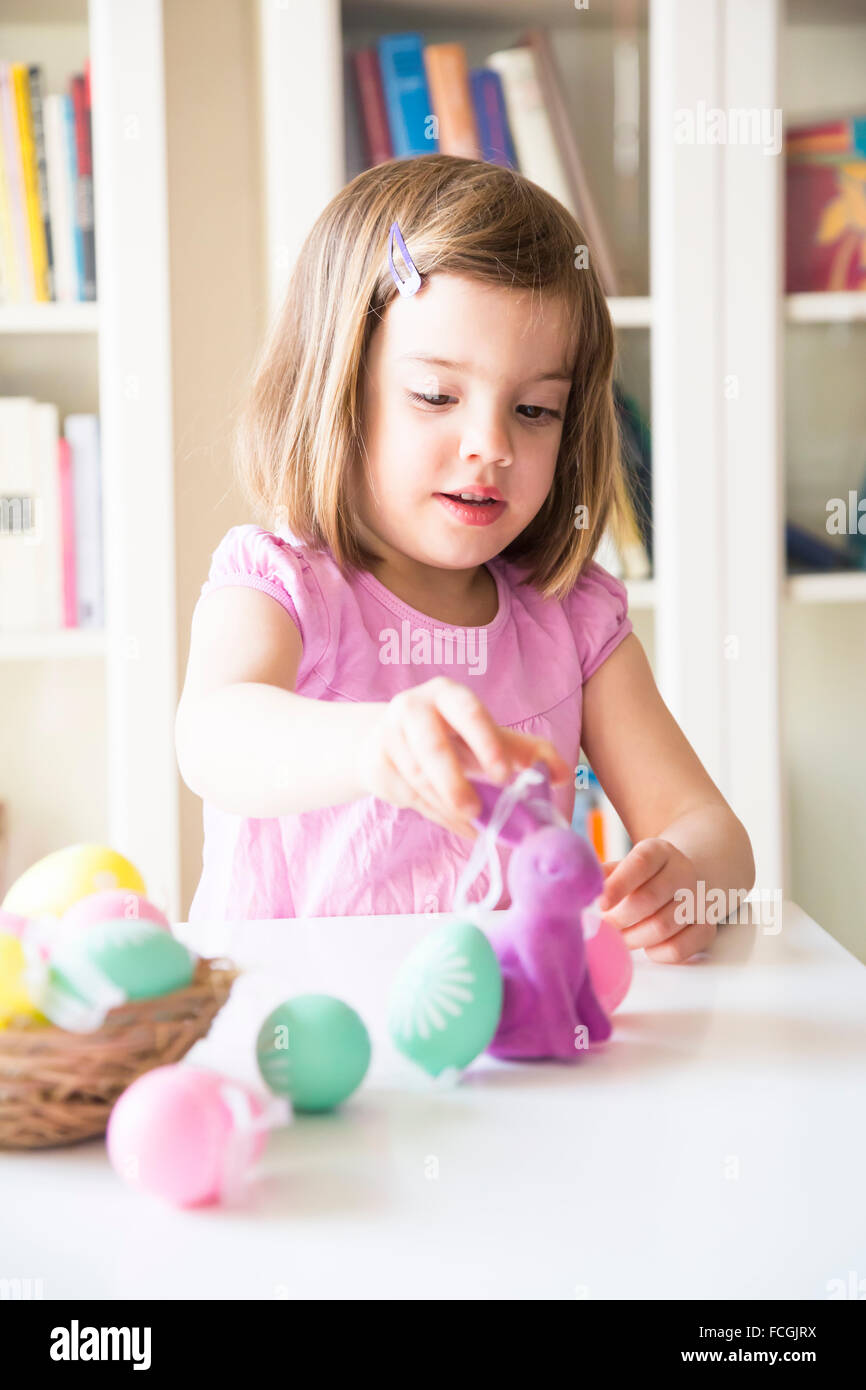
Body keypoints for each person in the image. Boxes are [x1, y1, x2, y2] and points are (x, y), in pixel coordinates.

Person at [176, 154, 754, 960]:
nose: (491, 445)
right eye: (436, 397)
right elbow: (213, 738)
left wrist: (687, 876)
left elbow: (713, 830)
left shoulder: (573, 619)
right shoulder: (282, 582)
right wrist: (375, 746)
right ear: (340, 393)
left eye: (535, 409)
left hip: (503, 1048)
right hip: (293, 1040)